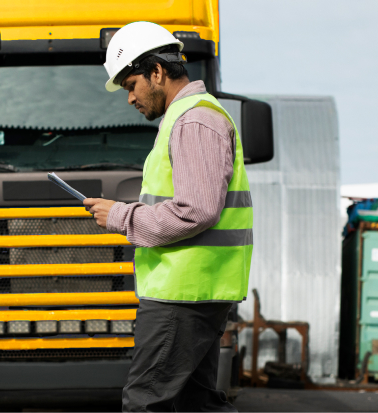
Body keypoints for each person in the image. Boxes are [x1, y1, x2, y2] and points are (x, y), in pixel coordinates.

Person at [83, 21, 253, 412]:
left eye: (130, 86)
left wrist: (123, 217)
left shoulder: (193, 120)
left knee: (146, 402)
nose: (130, 98)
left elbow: (197, 209)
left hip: (183, 291)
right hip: (194, 288)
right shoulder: (191, 118)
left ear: (156, 72)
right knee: (195, 403)